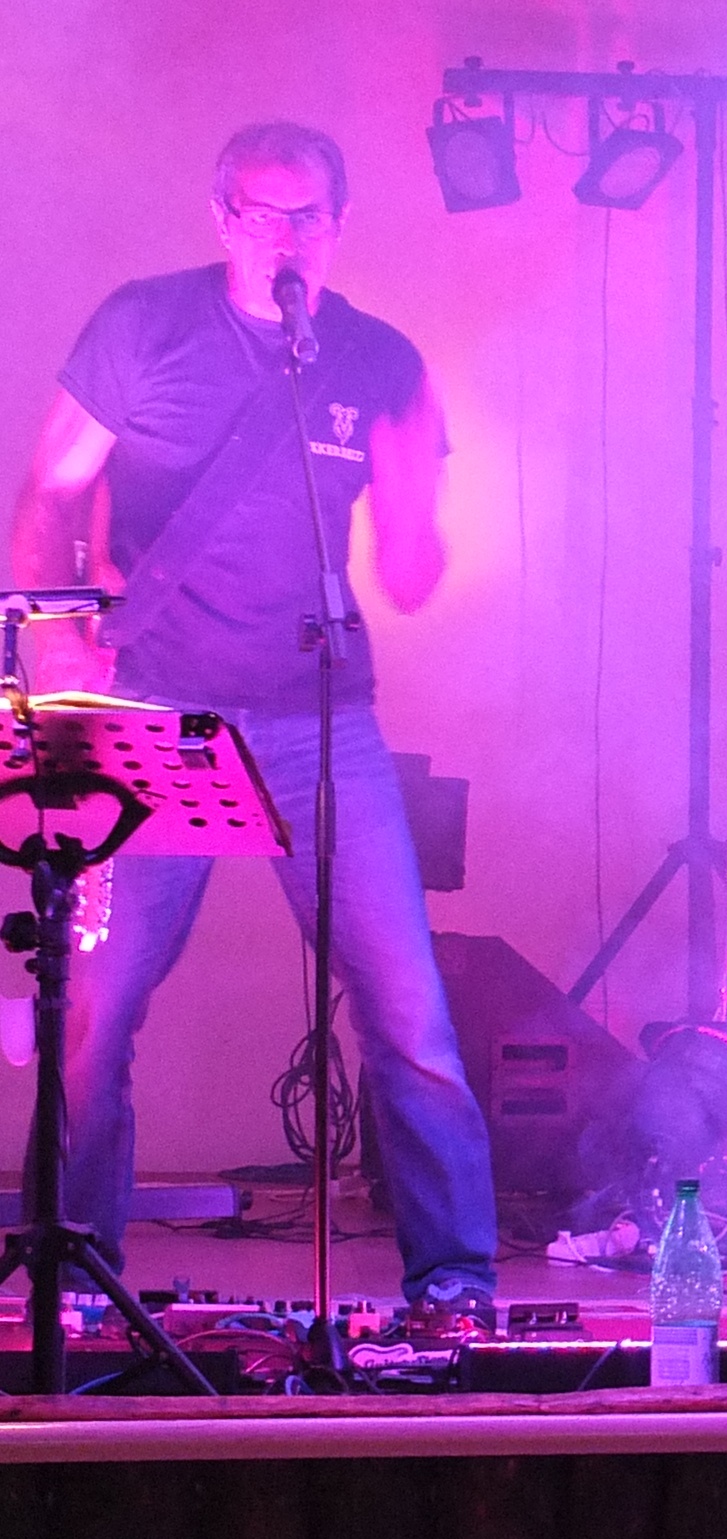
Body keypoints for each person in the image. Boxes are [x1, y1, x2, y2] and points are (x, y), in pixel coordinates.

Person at [8, 123, 498, 1332]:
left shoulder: (377, 359)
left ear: (340, 222)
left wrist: (420, 490)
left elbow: (413, 573)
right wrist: (56, 649)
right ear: (222, 215)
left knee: (410, 1017)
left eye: (307, 214)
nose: (285, 236)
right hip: (149, 710)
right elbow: (50, 489)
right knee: (93, 1016)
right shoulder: (144, 325)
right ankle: (77, 1283)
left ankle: (454, 1286)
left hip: (317, 718)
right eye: (261, 213)